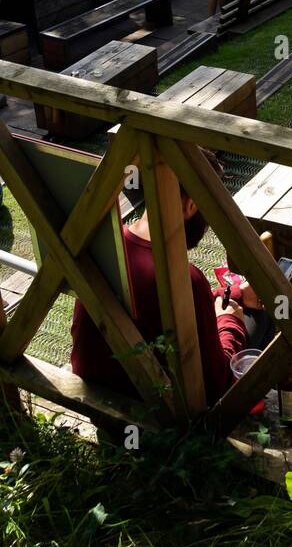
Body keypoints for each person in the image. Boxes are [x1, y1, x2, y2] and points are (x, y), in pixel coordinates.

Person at [71, 152, 263, 405]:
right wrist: (229, 322)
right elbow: (216, 384)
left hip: (94, 395)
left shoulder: (106, 245)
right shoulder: (185, 279)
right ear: (190, 204)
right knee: (258, 318)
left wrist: (233, 294)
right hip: (156, 414)